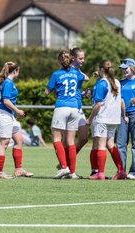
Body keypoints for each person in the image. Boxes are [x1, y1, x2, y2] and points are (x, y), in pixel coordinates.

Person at [45, 50, 84, 179]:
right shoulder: (76, 73)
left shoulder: (56, 74)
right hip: (74, 109)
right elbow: (85, 78)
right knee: (70, 141)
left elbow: (46, 92)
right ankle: (72, 172)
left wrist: (55, 89)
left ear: (59, 61)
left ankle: (63, 167)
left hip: (62, 107)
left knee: (57, 138)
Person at [87, 59, 126, 180]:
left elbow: (98, 105)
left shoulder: (101, 83)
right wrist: (123, 116)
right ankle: (121, 171)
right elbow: (120, 101)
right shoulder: (117, 82)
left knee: (101, 145)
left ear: (101, 70)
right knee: (110, 144)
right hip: (114, 119)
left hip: (102, 118)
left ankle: (100, 173)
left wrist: (89, 119)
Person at [0, 62, 33, 179]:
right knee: (4, 143)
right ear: (15, 71)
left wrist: (8, 112)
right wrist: (17, 111)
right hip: (5, 115)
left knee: (19, 139)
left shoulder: (5, 82)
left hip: (8, 115)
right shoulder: (7, 83)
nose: (19, 73)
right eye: (18, 71)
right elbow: (5, 101)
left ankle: (18, 169)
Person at [116, 58, 135, 179]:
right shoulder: (120, 83)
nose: (123, 71)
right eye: (122, 69)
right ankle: (121, 171)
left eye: (125, 68)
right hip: (122, 115)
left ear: (132, 68)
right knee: (120, 144)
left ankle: (133, 172)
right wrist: (123, 115)